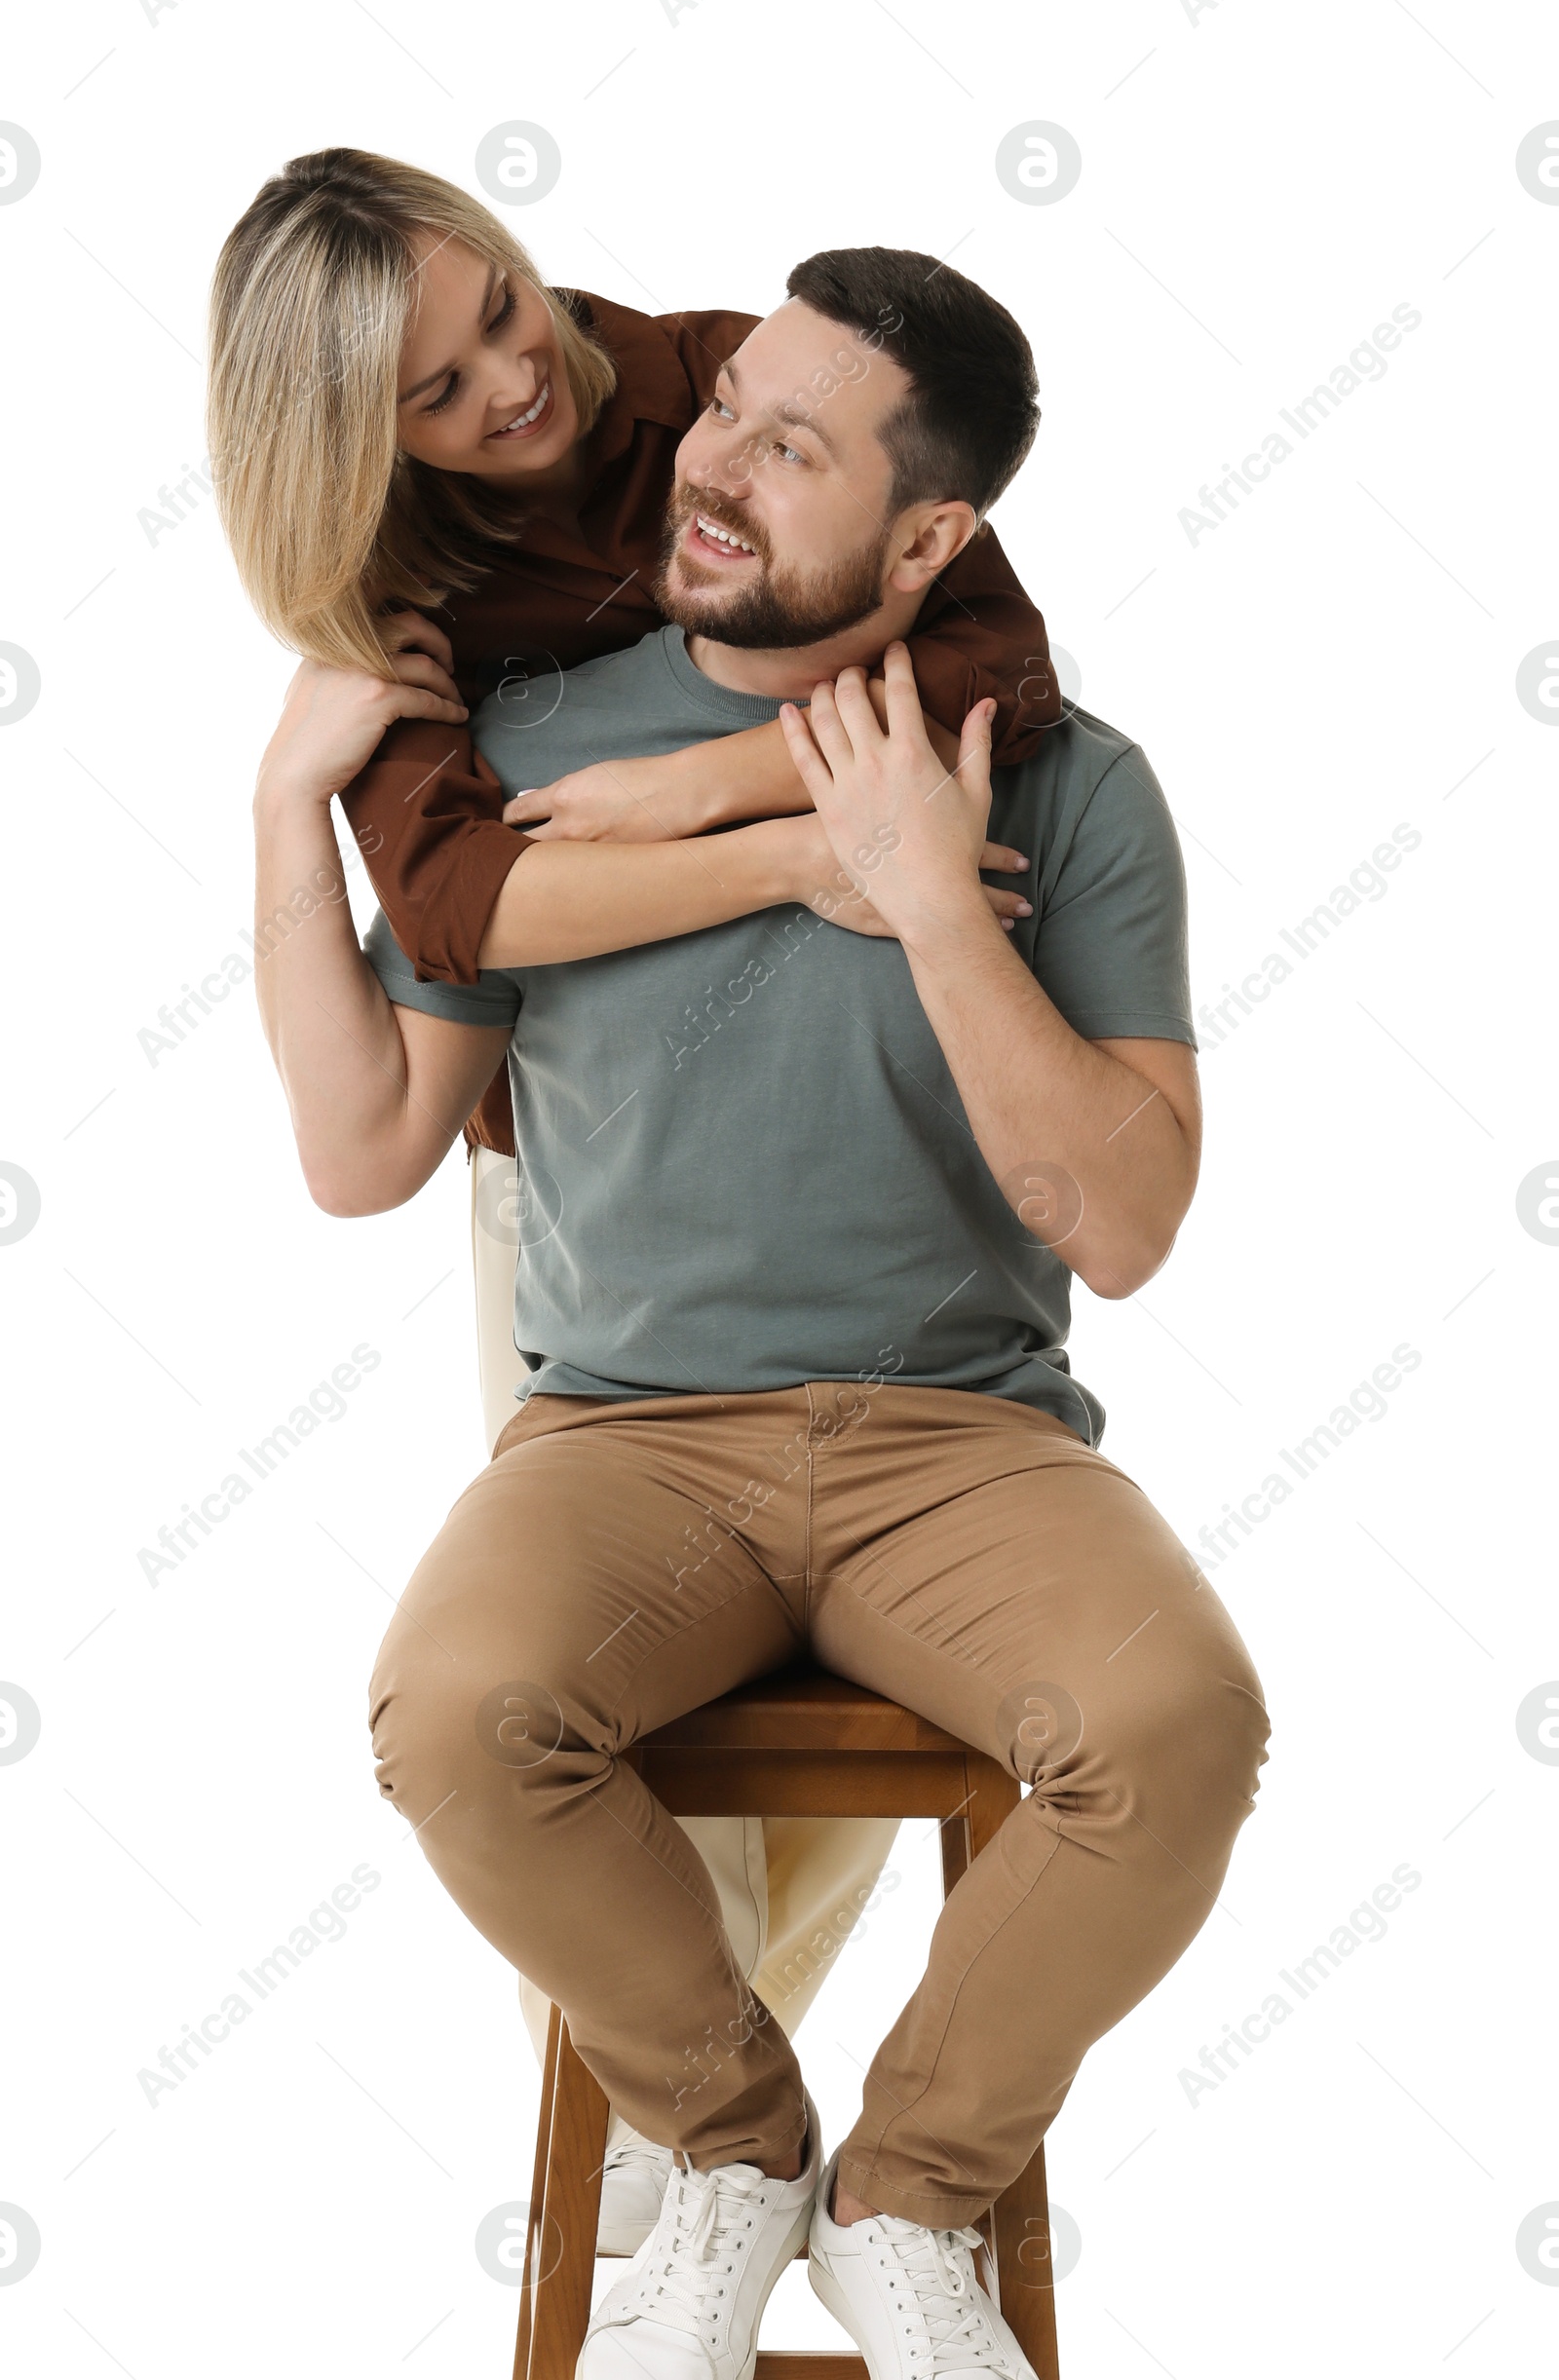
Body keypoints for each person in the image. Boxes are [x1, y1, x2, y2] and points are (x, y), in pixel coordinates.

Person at [250, 246, 1269, 2380]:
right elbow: (364, 1153)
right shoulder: (515, 774)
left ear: (925, 546)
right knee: (455, 1715)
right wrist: (272, 818)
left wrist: (923, 895)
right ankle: (729, 2143)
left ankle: (905, 2194)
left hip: (961, 1438)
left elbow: (1120, 1221)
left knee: (1175, 1727)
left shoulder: (1071, 786)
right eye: (728, 409)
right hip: (626, 1433)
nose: (702, 455)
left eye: (787, 447)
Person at [210, 149, 1062, 2213]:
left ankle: (733, 2181)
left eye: (502, 301)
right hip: (594, 1236)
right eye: (438, 385)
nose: (526, 379)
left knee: (814, 1786)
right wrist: (790, 856)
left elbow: (995, 670)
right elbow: (462, 907)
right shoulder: (408, 613)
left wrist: (719, 778)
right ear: (359, 448)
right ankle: (701, 2166)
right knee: (588, 1771)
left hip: (880, 1259)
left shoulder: (704, 384)